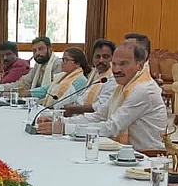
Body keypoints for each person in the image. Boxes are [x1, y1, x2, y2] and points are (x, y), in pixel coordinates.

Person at [37, 42, 167, 150]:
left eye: (123, 64)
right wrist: (59, 122)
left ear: (139, 65)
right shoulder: (124, 86)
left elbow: (112, 127)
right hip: (125, 153)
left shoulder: (143, 90)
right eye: (114, 64)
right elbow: (99, 116)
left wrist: (65, 128)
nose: (116, 70)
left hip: (146, 158)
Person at [63, 39, 116, 117]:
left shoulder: (113, 78)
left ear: (113, 58)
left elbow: (101, 106)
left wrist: (74, 109)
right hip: (78, 117)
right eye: (97, 56)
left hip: (94, 121)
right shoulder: (94, 74)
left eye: (106, 57)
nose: (101, 60)